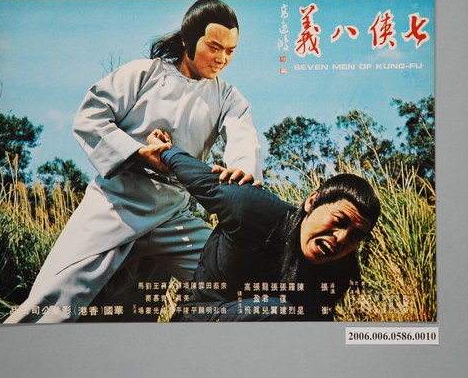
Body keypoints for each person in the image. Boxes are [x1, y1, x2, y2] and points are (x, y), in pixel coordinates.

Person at [4, 0, 262, 323]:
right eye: (214, 47)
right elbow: (90, 117)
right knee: (53, 304)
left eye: (230, 51)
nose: (222, 59)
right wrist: (140, 153)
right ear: (188, 39)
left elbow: (243, 136)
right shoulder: (144, 73)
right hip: (114, 205)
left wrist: (242, 170)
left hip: (172, 214)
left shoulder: (227, 97)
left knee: (235, 278)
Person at [145, 129, 380, 321]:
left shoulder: (337, 273)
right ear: (312, 201)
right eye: (339, 221)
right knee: (280, 312)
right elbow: (197, 176)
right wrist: (166, 150)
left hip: (263, 341)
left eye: (355, 236)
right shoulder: (253, 209)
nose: (341, 238)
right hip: (199, 321)